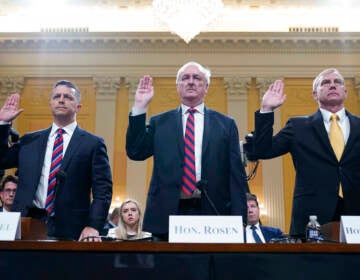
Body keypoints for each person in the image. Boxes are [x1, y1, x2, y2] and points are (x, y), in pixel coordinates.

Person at [126, 61, 248, 240]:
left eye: (197, 78)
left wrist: (241, 219)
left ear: (206, 87)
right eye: (185, 78)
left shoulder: (226, 124)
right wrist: (139, 107)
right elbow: (136, 152)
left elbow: (236, 174)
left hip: (214, 214)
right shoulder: (159, 123)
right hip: (167, 214)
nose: (191, 82)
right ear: (178, 86)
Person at [246, 68, 360, 238]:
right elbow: (263, 150)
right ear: (315, 94)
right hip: (312, 217)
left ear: (345, 91)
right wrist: (266, 110)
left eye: (338, 82)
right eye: (325, 82)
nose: (332, 85)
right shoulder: (298, 126)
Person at [0, 80, 113, 241]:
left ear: (78, 107)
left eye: (67, 97)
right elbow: (2, 159)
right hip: (26, 225)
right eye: (56, 96)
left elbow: (103, 191)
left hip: (72, 230)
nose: (61, 100)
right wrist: (3, 123)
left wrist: (93, 225)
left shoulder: (92, 144)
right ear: (50, 104)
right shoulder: (29, 141)